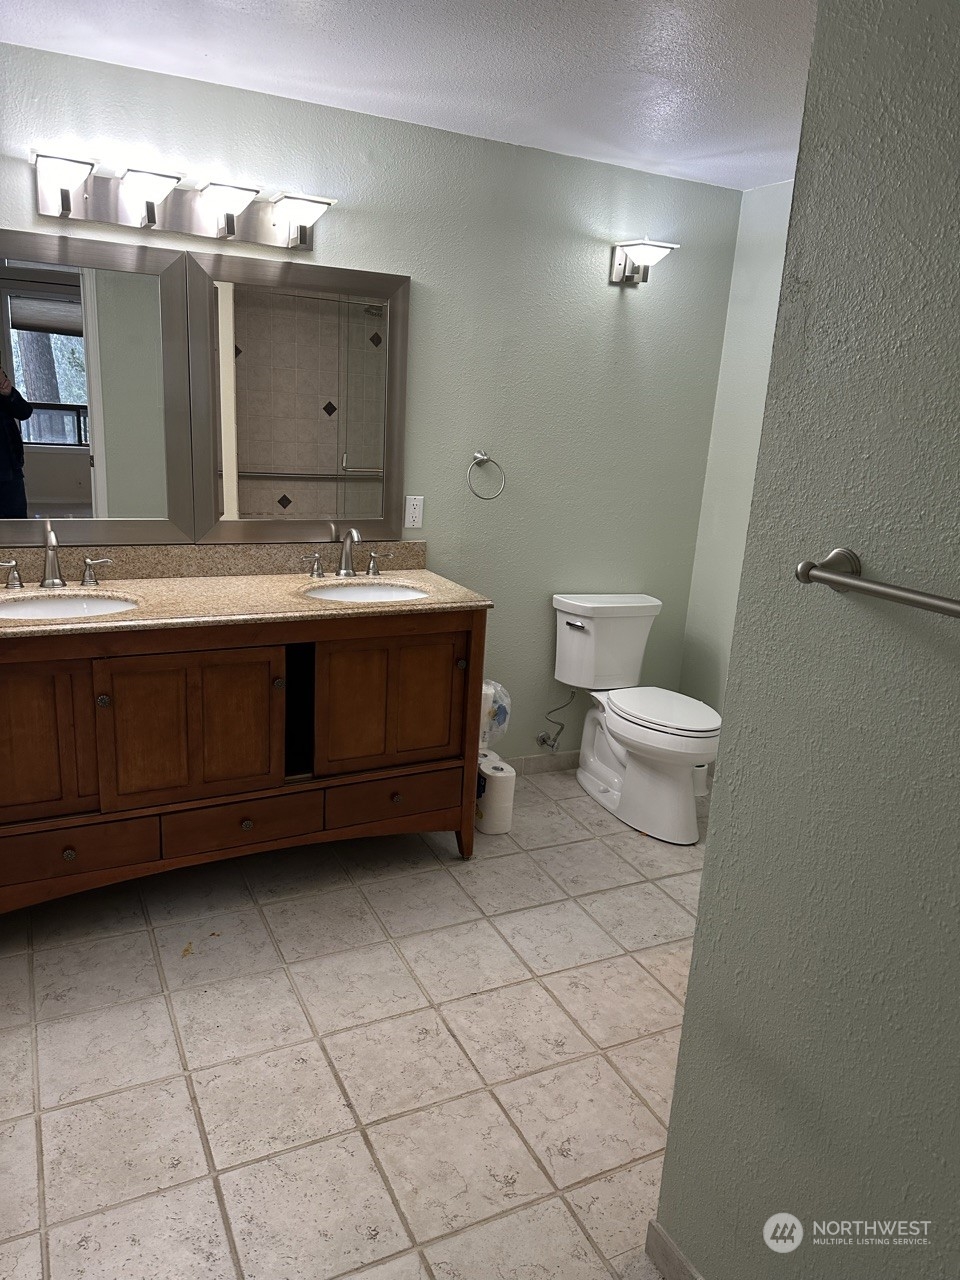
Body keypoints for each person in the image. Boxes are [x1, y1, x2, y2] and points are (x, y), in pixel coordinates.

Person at [0, 365, 32, 519]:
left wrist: (9, 393)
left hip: (10, 469)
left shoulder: (2, 389)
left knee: (18, 526)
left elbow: (25, 412)